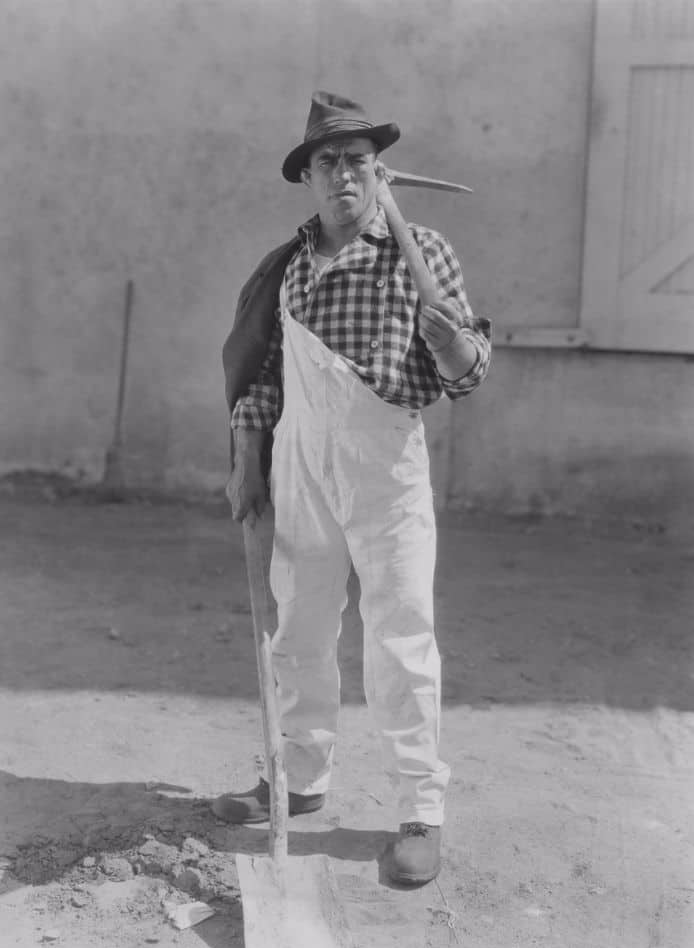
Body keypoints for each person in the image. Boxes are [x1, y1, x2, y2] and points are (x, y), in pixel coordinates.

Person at [215, 91, 491, 886]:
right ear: (307, 177)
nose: (344, 174)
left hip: (384, 461)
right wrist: (247, 453)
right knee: (299, 626)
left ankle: (419, 811)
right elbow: (264, 374)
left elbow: (470, 373)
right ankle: (298, 779)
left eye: (358, 161)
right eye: (328, 161)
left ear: (380, 173)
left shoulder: (422, 253)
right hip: (300, 460)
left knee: (400, 633)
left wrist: (450, 346)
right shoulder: (291, 268)